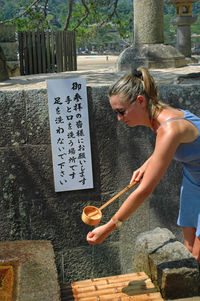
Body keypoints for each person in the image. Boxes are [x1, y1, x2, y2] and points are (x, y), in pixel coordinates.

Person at [86, 67, 200, 264]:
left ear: (140, 101)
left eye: (121, 112)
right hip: (194, 176)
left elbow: (144, 190)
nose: (119, 119)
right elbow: (164, 149)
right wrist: (147, 164)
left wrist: (108, 228)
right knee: (190, 251)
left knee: (197, 254)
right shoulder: (158, 117)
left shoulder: (170, 128)